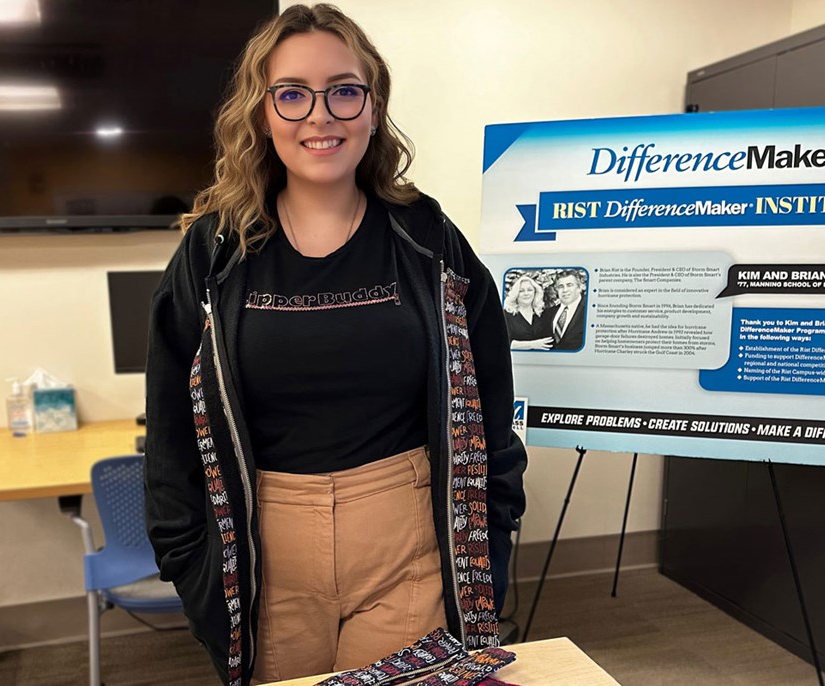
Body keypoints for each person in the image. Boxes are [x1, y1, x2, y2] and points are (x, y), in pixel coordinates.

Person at [143, 5, 527, 685]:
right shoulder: (212, 255)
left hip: (410, 553)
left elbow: (492, 402)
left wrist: (491, 539)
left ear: (373, 108)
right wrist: (186, 559)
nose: (320, 115)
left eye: (344, 90)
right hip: (265, 563)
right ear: (261, 114)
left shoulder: (429, 241)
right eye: (291, 94)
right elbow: (171, 424)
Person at [503, 274, 553, 349]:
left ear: (535, 292)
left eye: (529, 290)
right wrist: (533, 344)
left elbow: (549, 340)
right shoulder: (507, 315)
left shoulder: (542, 314)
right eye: (521, 291)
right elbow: (504, 343)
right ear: (516, 294)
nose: (526, 294)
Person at [542, 270, 586, 350]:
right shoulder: (548, 313)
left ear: (579, 288)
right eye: (560, 286)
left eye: (569, 285)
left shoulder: (588, 312)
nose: (565, 290)